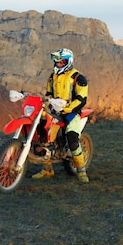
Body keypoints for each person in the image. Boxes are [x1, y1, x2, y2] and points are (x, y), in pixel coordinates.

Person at [32, 48, 90, 183]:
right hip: (54, 111)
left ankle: (81, 170)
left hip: (72, 113)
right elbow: (49, 93)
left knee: (72, 137)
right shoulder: (52, 76)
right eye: (56, 61)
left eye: (61, 61)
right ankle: (47, 169)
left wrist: (67, 108)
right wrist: (48, 101)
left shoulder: (78, 78)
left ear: (69, 62)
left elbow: (82, 99)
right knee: (42, 133)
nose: (58, 64)